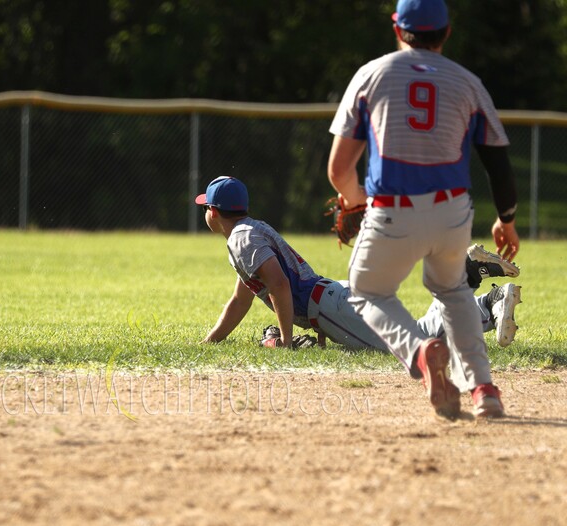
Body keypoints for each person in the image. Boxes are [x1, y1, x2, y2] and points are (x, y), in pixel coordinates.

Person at [326, 0, 519, 418]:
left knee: (367, 291)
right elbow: (498, 161)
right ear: (446, 33)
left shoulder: (372, 74)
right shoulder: (468, 82)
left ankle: (419, 351)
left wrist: (353, 196)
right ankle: (484, 389)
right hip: (452, 214)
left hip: (392, 211)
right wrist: (507, 219)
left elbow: (339, 169)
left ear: (397, 27)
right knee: (453, 291)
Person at [196, 176, 521, 409]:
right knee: (416, 333)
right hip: (332, 299)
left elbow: (279, 285)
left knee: (413, 343)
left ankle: (479, 293)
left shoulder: (241, 239)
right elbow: (241, 299)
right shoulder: (252, 229)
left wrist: (284, 341)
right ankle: (476, 287)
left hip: (328, 307)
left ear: (213, 210)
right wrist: (212, 341)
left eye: (205, 207)